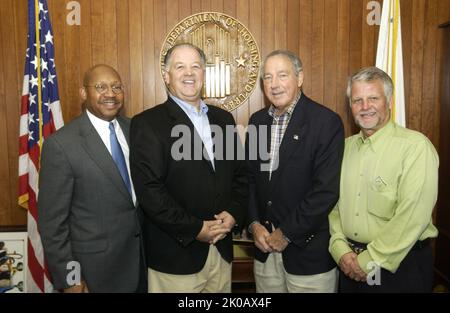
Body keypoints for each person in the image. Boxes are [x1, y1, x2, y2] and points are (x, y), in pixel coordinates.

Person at [130, 43, 248, 293]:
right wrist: (196, 229)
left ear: (204, 73)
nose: (189, 73)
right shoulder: (147, 124)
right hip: (176, 258)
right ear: (166, 75)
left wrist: (234, 213)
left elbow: (240, 175)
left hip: (221, 253)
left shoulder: (223, 120)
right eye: (180, 66)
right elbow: (150, 193)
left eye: (196, 66)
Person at [329, 66, 439, 292]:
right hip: (348, 263)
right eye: (357, 100)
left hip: (400, 268)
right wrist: (340, 248)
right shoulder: (343, 148)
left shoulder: (416, 147)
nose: (365, 107)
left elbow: (412, 216)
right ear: (350, 106)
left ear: (389, 101)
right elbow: (332, 205)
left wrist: (368, 260)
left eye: (373, 98)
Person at [38, 64, 145, 293]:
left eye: (117, 87)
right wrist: (71, 280)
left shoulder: (136, 130)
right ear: (84, 93)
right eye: (101, 87)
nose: (110, 94)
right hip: (94, 275)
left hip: (142, 267)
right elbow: (52, 224)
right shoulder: (61, 145)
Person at [246, 50, 344, 292]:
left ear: (299, 78)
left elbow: (325, 191)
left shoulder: (326, 122)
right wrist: (253, 224)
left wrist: (287, 233)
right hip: (265, 252)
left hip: (308, 256)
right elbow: (249, 180)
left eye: (282, 75)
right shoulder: (257, 121)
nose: (274, 84)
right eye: (267, 78)